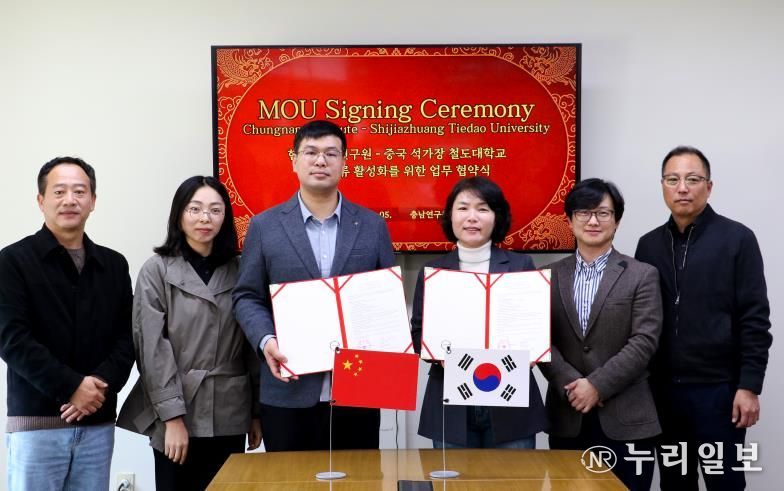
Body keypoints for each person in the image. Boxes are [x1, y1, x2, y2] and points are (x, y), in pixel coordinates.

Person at [232, 120, 395, 451]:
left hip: (359, 389)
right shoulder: (265, 227)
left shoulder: (372, 226)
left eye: (331, 153)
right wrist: (267, 341)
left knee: (359, 483)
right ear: (294, 160)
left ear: (344, 163)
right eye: (311, 152)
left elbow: (387, 302)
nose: (321, 161)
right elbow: (247, 296)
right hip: (288, 388)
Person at [635, 146, 772, 490]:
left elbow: (755, 319)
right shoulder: (648, 245)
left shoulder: (737, 239)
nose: (682, 187)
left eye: (693, 179)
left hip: (720, 394)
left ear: (709, 187)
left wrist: (749, 386)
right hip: (664, 394)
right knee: (674, 483)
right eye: (673, 179)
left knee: (725, 483)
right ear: (663, 186)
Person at [117, 176, 261, 490]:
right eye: (194, 209)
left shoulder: (240, 270)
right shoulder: (156, 270)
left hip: (230, 410)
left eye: (215, 210)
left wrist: (255, 412)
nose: (204, 218)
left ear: (225, 218)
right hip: (177, 407)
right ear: (179, 215)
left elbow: (252, 346)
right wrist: (171, 418)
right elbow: (152, 349)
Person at [0, 156, 134, 490]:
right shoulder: (13, 261)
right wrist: (72, 387)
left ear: (93, 201)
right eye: (59, 191)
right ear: (41, 200)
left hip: (97, 424)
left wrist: (100, 384)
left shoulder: (114, 265)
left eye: (79, 191)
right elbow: (12, 339)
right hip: (37, 425)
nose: (70, 200)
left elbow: (128, 336)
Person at [539, 178, 662, 490]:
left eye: (603, 213)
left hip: (627, 419)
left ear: (617, 221)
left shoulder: (641, 274)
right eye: (583, 212)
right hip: (568, 417)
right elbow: (539, 338)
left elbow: (644, 341)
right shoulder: (547, 275)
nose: (593, 221)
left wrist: (596, 385)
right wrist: (572, 385)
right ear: (569, 220)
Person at [410, 176, 548, 448]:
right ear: (450, 216)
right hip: (451, 399)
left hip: (510, 401)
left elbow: (536, 329)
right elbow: (417, 332)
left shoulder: (521, 265)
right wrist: (438, 355)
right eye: (463, 208)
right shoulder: (433, 271)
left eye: (482, 209)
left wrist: (532, 352)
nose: (472, 217)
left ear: (497, 217)